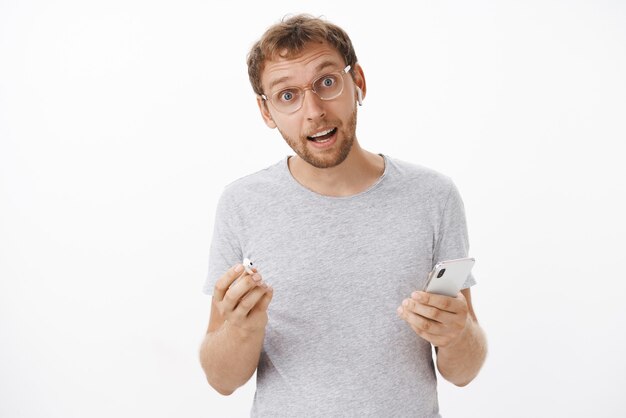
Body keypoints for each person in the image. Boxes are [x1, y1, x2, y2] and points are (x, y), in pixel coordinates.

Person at [199, 14, 487, 417]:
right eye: (287, 96)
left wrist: (457, 335)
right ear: (266, 113)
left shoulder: (433, 196)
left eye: (327, 82)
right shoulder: (242, 203)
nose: (314, 110)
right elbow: (222, 380)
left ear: (359, 83)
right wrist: (241, 328)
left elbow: (463, 371)